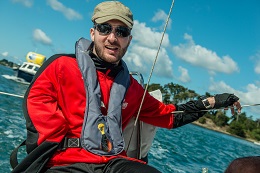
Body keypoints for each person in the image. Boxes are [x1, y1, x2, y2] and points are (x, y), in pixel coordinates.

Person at [14, 1, 241, 173]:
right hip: (64, 162)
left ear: (129, 40)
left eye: (121, 32)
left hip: (113, 163)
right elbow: (37, 105)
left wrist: (213, 101)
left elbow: (169, 117)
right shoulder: (60, 66)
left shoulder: (131, 88)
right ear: (93, 33)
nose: (113, 38)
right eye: (105, 29)